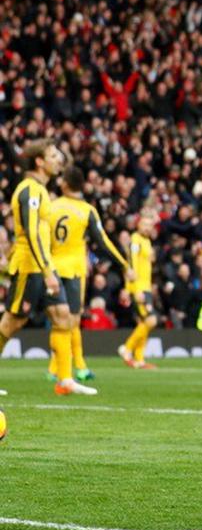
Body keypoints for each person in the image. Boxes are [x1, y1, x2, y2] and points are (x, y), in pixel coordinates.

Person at [0, 140, 96, 395]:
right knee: (11, 323)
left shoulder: (41, 191)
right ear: (39, 162)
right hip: (30, 267)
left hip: (44, 266)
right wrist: (47, 271)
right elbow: (31, 233)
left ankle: (64, 380)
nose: (58, 160)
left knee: (62, 315)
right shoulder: (29, 191)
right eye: (53, 155)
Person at [46, 166, 136, 382]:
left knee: (59, 321)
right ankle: (76, 367)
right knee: (72, 322)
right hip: (75, 271)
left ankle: (56, 368)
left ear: (65, 183)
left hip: (52, 269)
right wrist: (124, 264)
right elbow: (103, 241)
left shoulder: (51, 207)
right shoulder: (87, 211)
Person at [117, 215, 160, 370]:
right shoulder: (135, 239)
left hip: (146, 286)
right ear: (138, 225)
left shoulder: (147, 241)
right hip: (139, 288)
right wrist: (134, 289)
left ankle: (140, 358)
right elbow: (132, 265)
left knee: (144, 323)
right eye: (145, 224)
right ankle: (127, 348)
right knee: (151, 320)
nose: (148, 227)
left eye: (150, 225)